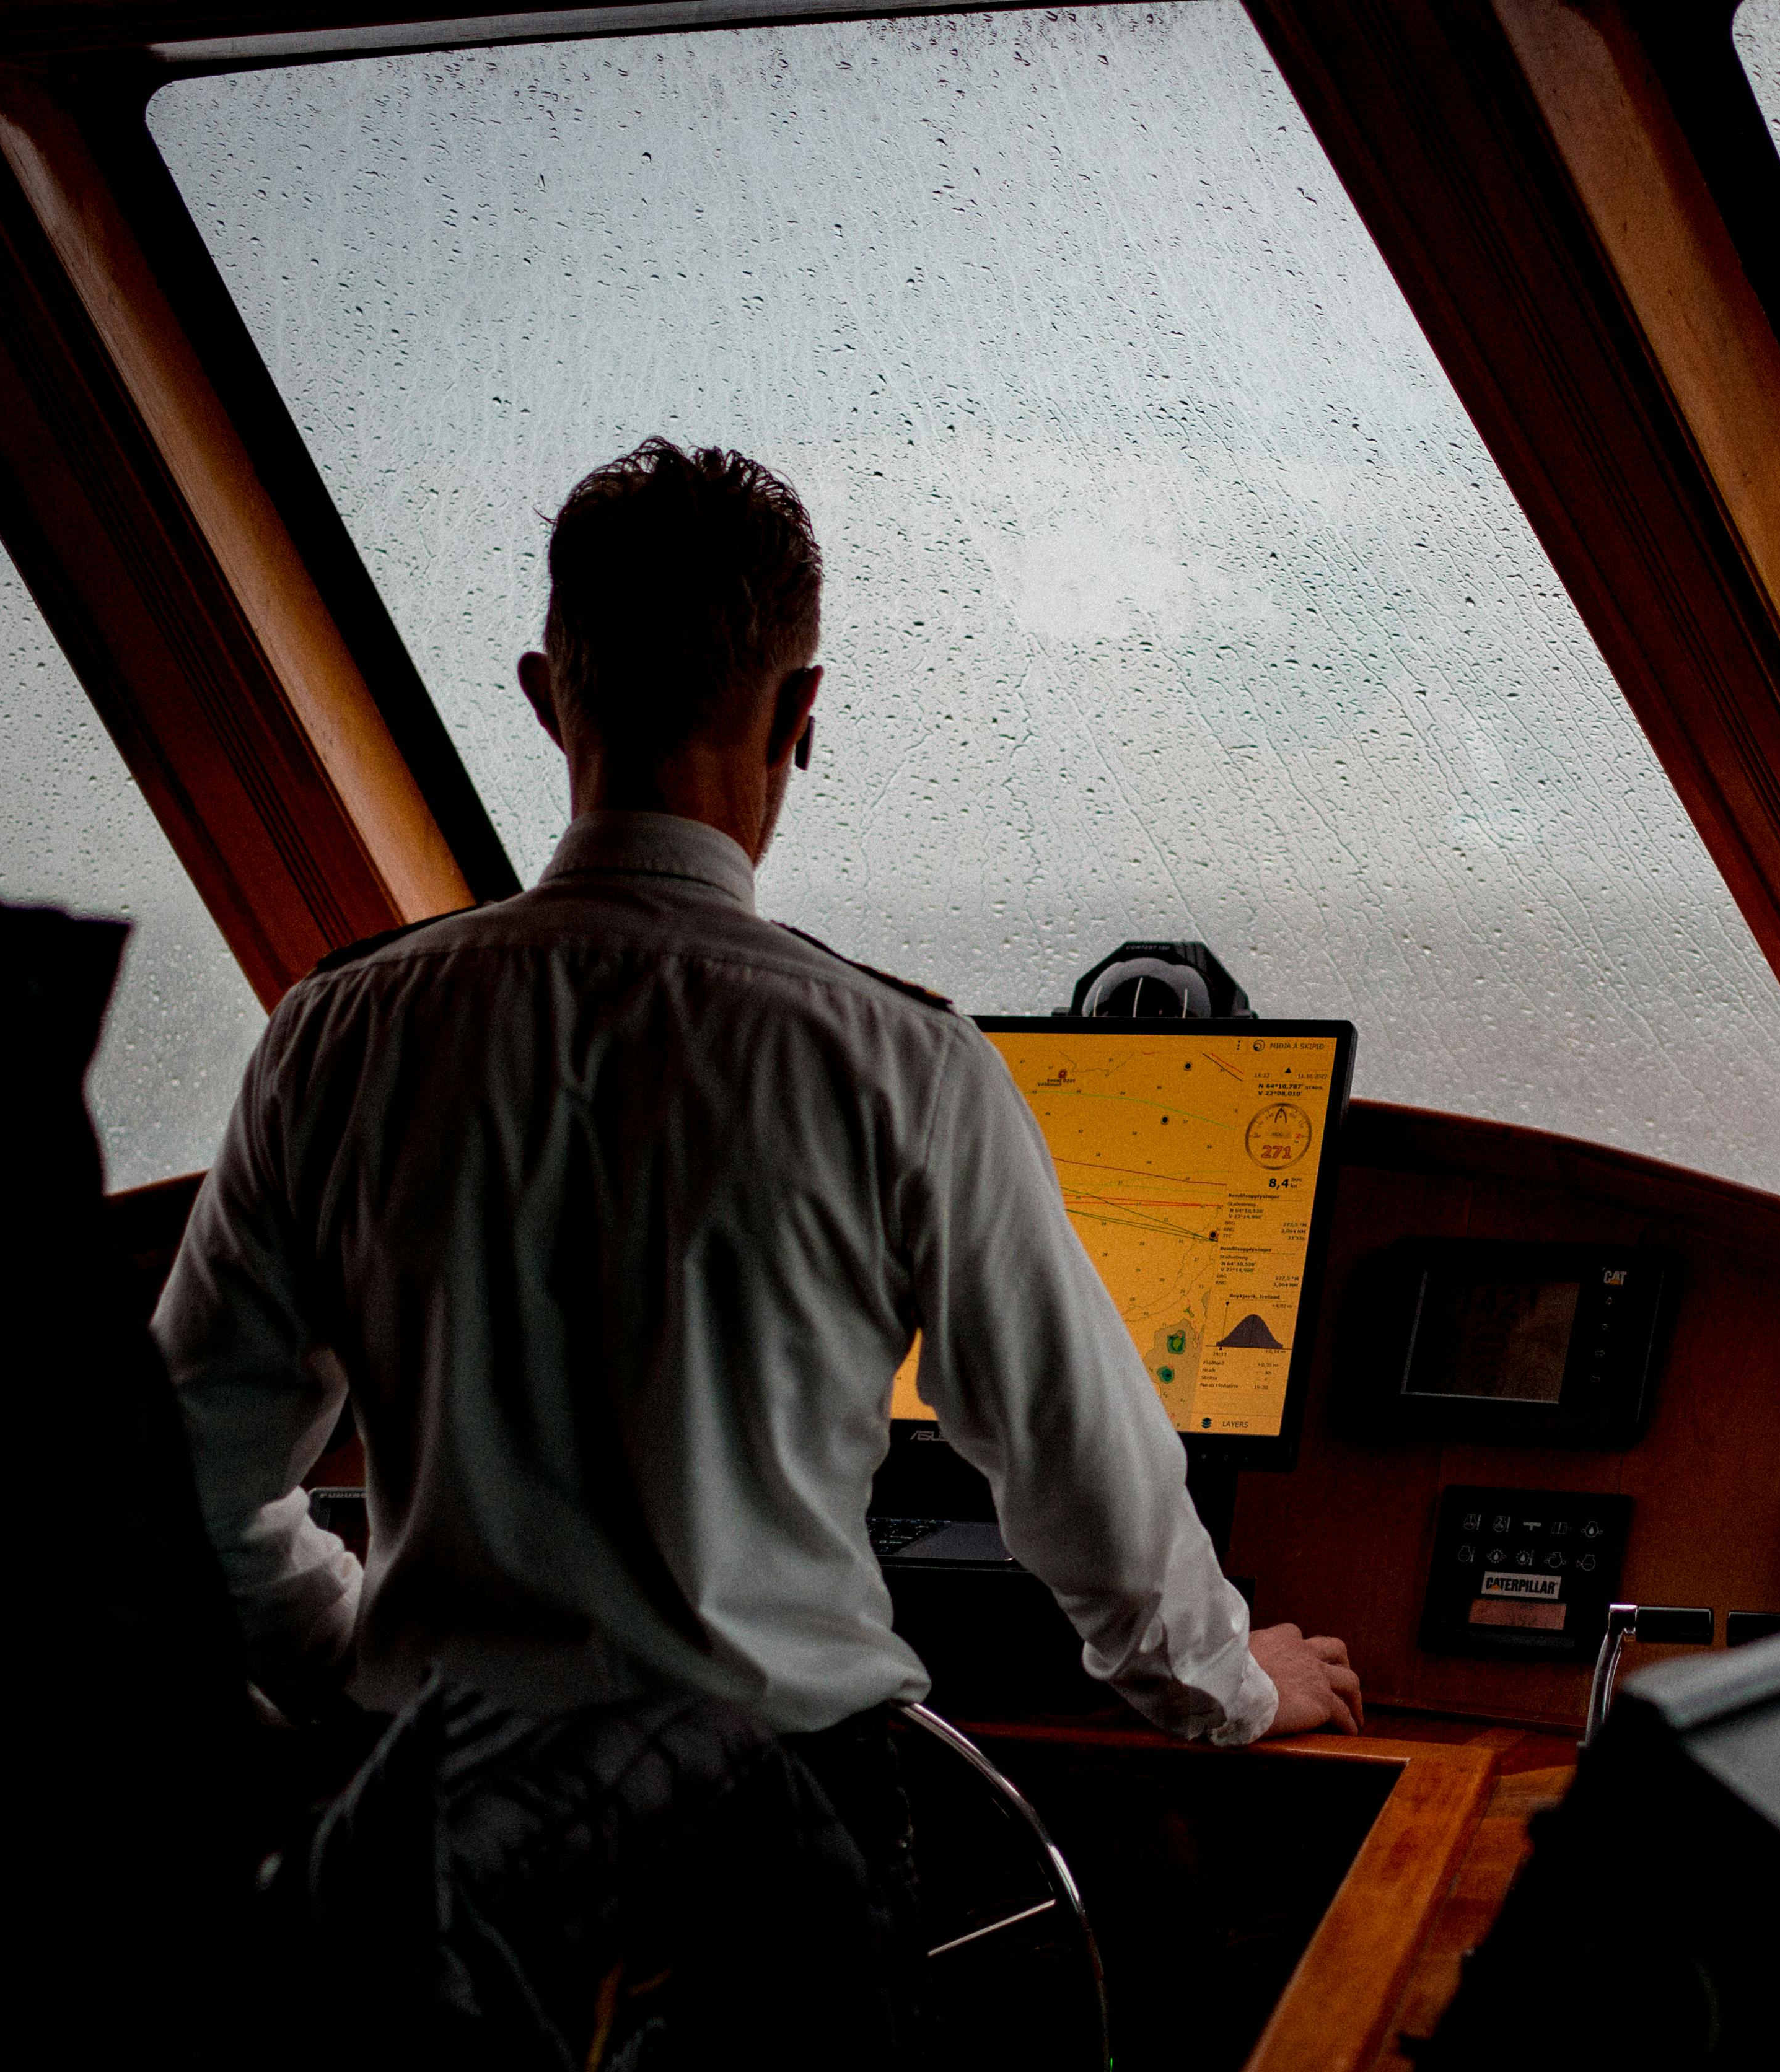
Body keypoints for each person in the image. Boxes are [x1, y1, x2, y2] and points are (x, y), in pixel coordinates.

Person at [154, 437, 1362, 1797]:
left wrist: (367, 1673)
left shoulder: (335, 1033)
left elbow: (187, 1490)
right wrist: (1231, 1689)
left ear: (550, 702)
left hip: (436, 1820)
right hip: (766, 1826)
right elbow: (1086, 1467)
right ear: (801, 711)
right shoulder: (898, 1057)